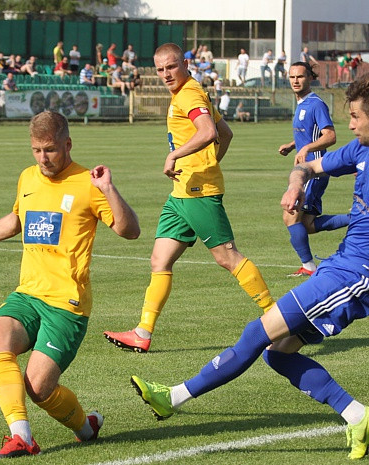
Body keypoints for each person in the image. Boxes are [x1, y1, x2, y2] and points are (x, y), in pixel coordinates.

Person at [129, 72, 369, 461]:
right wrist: (295, 185)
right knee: (278, 353)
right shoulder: (362, 151)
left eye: (354, 117)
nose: (349, 125)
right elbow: (308, 167)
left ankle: (173, 397)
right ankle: (357, 415)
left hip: (356, 279)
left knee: (256, 334)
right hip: (339, 267)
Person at [0, 111, 140, 458]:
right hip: (29, 294)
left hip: (67, 305)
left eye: (49, 150)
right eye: (36, 150)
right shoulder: (28, 178)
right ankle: (21, 437)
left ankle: (85, 426)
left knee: (37, 388)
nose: (42, 158)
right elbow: (17, 220)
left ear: (67, 144)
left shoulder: (87, 183)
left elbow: (130, 231)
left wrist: (109, 190)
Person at [103, 44, 273, 353]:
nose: (166, 74)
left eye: (171, 67)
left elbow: (209, 131)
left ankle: (278, 320)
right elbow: (226, 133)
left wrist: (177, 155)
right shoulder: (191, 92)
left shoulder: (190, 94)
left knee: (227, 257)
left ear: (184, 64)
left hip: (197, 192)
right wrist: (209, 163)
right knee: (160, 260)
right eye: (160, 69)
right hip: (181, 193)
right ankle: (143, 332)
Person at [277, 61, 347, 277]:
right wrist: (293, 145)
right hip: (306, 170)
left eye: (300, 76)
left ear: (310, 78)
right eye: (292, 77)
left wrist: (306, 147)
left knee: (290, 216)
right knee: (306, 224)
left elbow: (330, 136)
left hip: (314, 171)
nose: (295, 81)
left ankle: (308, 267)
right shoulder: (301, 103)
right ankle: (357, 218)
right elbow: (309, 133)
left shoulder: (316, 104)